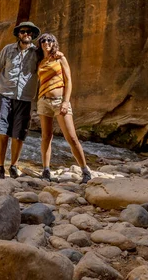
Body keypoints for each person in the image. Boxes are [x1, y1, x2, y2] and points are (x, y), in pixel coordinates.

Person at [0, 21, 42, 180]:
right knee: (2, 132)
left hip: (25, 98)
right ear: (18, 34)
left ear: (33, 35)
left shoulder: (37, 53)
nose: (26, 34)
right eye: (23, 32)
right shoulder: (8, 50)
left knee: (19, 135)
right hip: (5, 95)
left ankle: (13, 166)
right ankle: (0, 167)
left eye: (29, 32)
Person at [36, 32, 91, 184]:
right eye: (43, 40)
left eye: (50, 40)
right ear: (40, 44)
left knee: (71, 137)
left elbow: (69, 80)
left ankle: (85, 171)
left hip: (59, 101)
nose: (46, 42)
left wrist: (66, 102)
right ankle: (46, 171)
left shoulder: (60, 58)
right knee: (46, 137)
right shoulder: (40, 61)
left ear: (54, 43)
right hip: (43, 101)